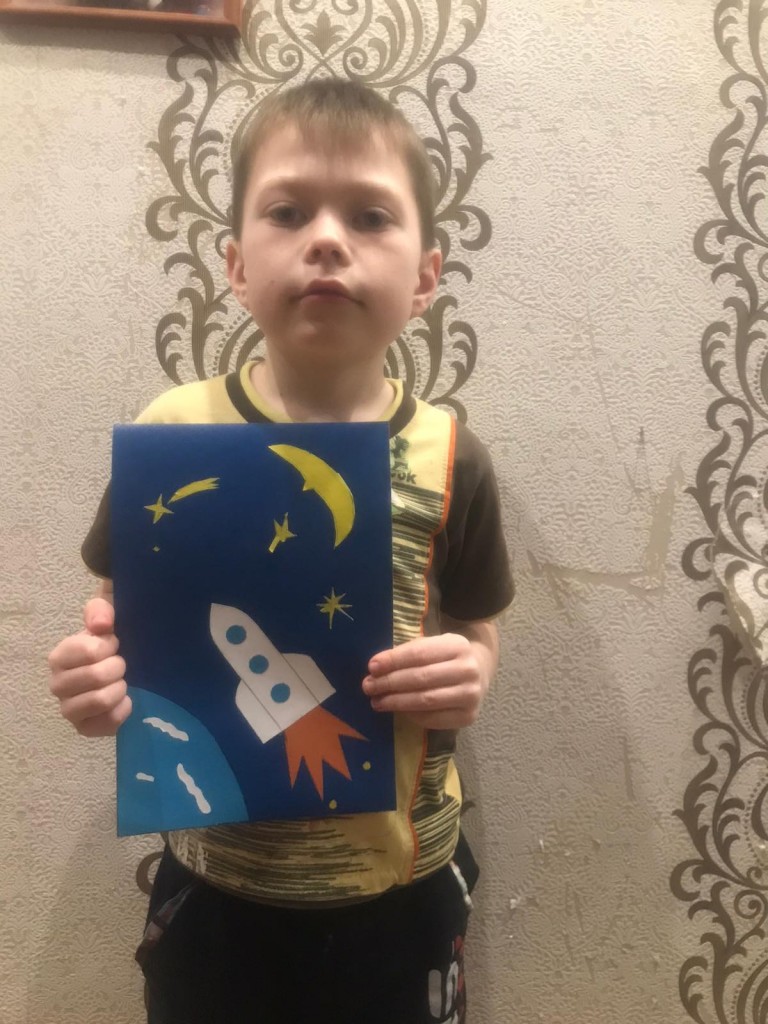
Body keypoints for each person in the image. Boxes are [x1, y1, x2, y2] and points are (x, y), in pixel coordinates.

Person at [47, 78, 513, 1024]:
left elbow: (477, 624)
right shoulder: (173, 436)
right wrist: (95, 680)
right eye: (289, 211)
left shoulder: (452, 456)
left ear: (425, 277)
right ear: (234, 263)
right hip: (216, 898)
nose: (328, 238)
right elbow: (117, 619)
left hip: (401, 893)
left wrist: (473, 671)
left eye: (370, 216)